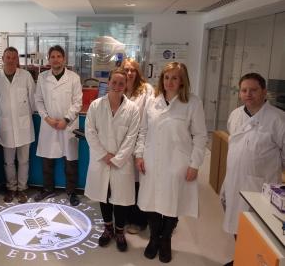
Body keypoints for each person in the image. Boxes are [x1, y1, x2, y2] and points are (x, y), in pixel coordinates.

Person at [134, 62, 207, 263]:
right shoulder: (152, 102)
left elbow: (200, 136)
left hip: (178, 162)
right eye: (166, 77)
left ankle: (166, 239)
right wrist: (139, 154)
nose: (170, 82)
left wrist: (195, 164)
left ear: (183, 80)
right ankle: (154, 238)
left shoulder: (192, 103)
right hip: (152, 159)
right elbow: (143, 131)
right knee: (152, 203)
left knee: (172, 202)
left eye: (175, 77)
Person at [220, 73, 285, 266]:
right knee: (234, 223)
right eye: (244, 90)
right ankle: (242, 257)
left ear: (264, 92)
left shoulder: (278, 119)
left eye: (254, 90)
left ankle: (249, 259)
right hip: (233, 180)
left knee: (256, 229)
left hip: (259, 186)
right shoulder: (235, 115)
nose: (248, 94)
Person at [84, 68, 140, 252]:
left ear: (126, 86)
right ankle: (108, 228)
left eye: (121, 83)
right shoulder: (96, 106)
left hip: (121, 162)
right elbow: (90, 132)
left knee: (121, 199)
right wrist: (104, 155)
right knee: (104, 195)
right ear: (108, 83)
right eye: (114, 82)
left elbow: (132, 137)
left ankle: (120, 231)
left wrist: (117, 158)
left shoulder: (132, 109)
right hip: (101, 160)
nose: (117, 86)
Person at [34, 45, 82, 206]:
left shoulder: (74, 78)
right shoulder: (42, 77)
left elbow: (78, 102)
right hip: (49, 124)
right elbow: (38, 100)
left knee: (70, 161)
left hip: (68, 125)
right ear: (49, 59)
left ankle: (71, 192)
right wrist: (47, 118)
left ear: (64, 59)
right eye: (52, 56)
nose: (55, 59)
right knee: (47, 160)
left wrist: (66, 120)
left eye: (58, 56)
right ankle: (48, 189)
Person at [0, 47, 36, 204]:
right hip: (6, 126)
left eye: (14, 57)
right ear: (3, 58)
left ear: (17, 60)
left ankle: (22, 189)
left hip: (24, 126)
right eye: (8, 57)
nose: (11, 60)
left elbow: (32, 100)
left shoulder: (26, 76)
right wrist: (4, 113)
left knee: (24, 160)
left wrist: (22, 114)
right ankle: (11, 188)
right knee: (8, 161)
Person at [121, 58, 154, 235]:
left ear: (138, 72)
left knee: (140, 182)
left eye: (133, 70)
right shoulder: (120, 89)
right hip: (123, 142)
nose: (129, 73)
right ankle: (126, 216)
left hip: (141, 141)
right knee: (126, 181)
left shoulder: (146, 90)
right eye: (126, 70)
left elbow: (151, 115)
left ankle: (140, 220)